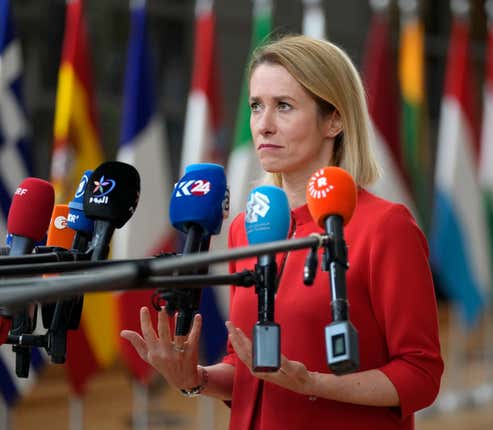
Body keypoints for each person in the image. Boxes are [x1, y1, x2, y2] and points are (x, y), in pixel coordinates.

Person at [121, 34, 443, 429]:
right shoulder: (245, 227)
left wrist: (312, 383)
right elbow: (250, 370)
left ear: (335, 120)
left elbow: (421, 375)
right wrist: (196, 379)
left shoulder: (386, 227)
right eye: (257, 106)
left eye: (284, 107)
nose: (264, 125)